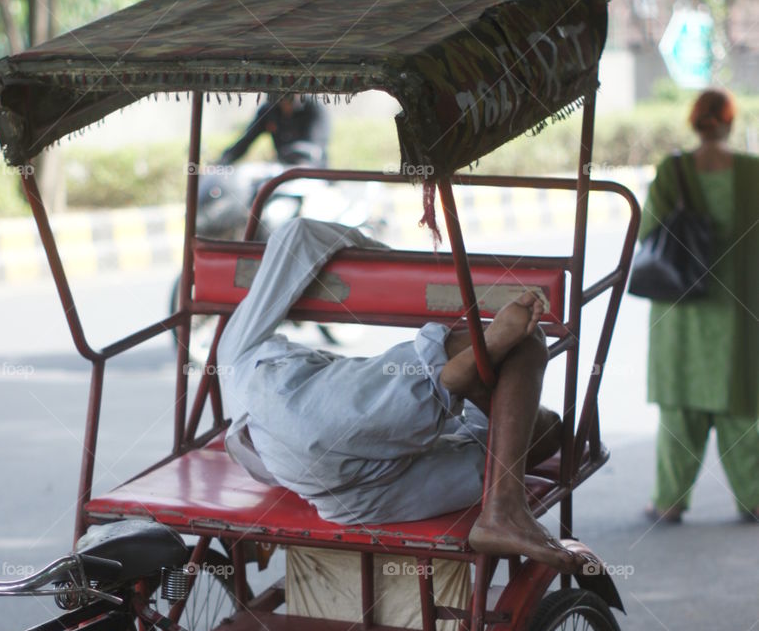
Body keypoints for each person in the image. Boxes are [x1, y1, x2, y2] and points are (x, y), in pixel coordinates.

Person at [219, 218, 594, 572]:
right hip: (318, 427)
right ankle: (500, 493)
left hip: (336, 493)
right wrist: (398, 269)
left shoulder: (237, 360)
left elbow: (296, 236)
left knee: (500, 434)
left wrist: (396, 273)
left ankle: (466, 381)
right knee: (522, 367)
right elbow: (297, 234)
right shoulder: (240, 358)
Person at [642, 87, 759, 523]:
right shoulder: (752, 173)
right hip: (740, 313)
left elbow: (648, 234)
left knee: (679, 409)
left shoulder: (672, 172)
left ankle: (669, 501)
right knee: (743, 407)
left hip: (681, 311)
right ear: (729, 123)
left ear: (695, 122)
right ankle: (755, 497)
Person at [220, 94, 330, 167]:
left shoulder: (314, 109)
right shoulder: (269, 110)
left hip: (311, 173)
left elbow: (317, 145)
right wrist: (222, 163)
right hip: (280, 173)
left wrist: (298, 155)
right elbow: (246, 140)